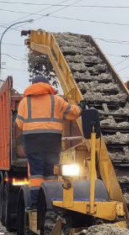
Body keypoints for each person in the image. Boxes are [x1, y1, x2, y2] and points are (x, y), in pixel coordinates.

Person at [15, 75, 81, 209]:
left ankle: (35, 205)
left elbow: (19, 124)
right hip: (52, 142)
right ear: (47, 85)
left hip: (33, 143)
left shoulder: (24, 102)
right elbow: (72, 113)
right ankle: (51, 203)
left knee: (36, 175)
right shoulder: (56, 100)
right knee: (52, 173)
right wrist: (80, 108)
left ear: (32, 85)